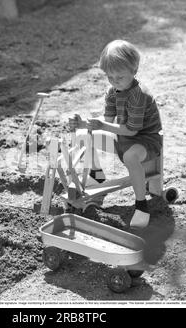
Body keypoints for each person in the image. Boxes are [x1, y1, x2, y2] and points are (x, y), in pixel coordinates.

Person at [69, 39, 163, 229]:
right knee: (84, 137)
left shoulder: (139, 95)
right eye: (110, 77)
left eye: (119, 77)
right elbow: (107, 121)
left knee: (130, 157)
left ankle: (141, 204)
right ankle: (97, 182)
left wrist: (103, 126)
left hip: (146, 140)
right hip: (123, 137)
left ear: (134, 70)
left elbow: (131, 130)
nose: (114, 81)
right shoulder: (112, 91)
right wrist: (83, 123)